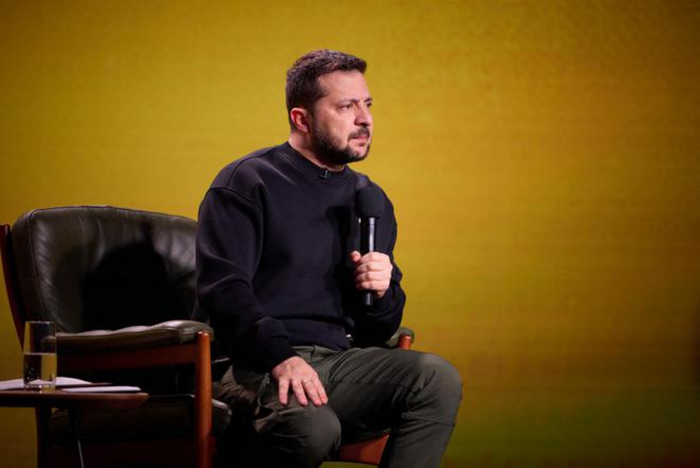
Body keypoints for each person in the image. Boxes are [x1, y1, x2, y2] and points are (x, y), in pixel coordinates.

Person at [195, 49, 462, 468]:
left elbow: (379, 330)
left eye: (367, 104)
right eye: (346, 107)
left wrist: (383, 292)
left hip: (336, 362)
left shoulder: (370, 199)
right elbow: (225, 293)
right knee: (313, 427)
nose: (365, 119)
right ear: (301, 119)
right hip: (250, 364)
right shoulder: (247, 182)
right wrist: (281, 356)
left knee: (436, 378)